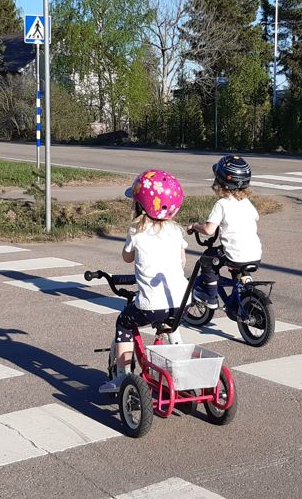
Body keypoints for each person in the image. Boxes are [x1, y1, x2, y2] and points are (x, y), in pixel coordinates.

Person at [100, 169, 189, 394]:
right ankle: (183, 371)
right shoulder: (176, 231)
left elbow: (127, 257)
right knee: (171, 322)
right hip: (181, 302)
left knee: (124, 323)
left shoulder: (136, 231)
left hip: (152, 305)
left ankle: (122, 377)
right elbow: (182, 261)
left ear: (140, 205)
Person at [189, 154, 262, 308]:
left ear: (220, 182)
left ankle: (210, 296)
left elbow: (209, 230)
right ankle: (243, 287)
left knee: (208, 259)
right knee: (235, 262)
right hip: (255, 253)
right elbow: (256, 217)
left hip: (235, 254)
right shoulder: (246, 202)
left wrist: (195, 226)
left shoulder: (222, 204)